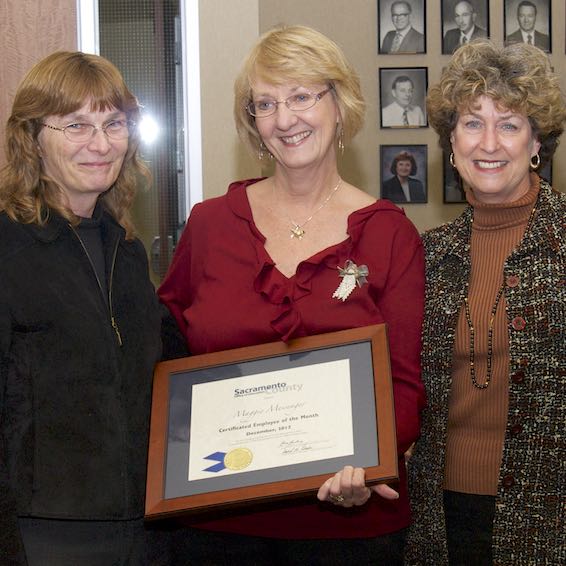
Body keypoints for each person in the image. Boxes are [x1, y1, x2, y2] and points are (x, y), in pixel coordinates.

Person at [158, 24, 425, 565]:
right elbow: (167, 352)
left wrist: (369, 463)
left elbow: (402, 382)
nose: (285, 119)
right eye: (265, 103)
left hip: (349, 530)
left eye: (302, 96)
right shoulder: (209, 225)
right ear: (253, 123)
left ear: (339, 103)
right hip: (217, 524)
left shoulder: (390, 233)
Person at [0, 52, 165, 565]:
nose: (100, 143)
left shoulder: (128, 249)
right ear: (33, 137)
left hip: (141, 525)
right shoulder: (7, 246)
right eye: (76, 125)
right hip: (41, 532)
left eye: (113, 123)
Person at [406, 40, 565, 565]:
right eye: (473, 123)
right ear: (451, 143)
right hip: (439, 517)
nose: (489, 143)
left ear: (536, 141)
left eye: (510, 124)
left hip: (550, 515)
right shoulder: (426, 255)